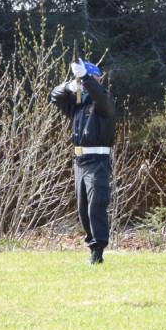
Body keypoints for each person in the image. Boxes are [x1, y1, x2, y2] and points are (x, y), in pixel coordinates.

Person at [49, 58, 116, 265]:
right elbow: (54, 96)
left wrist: (85, 78)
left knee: (96, 206)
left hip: (98, 160)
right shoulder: (77, 104)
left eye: (91, 78)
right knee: (83, 208)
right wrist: (69, 85)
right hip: (80, 160)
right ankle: (91, 246)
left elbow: (99, 96)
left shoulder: (104, 101)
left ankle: (98, 251)